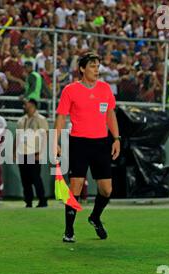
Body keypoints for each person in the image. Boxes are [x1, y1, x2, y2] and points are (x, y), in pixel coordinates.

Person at [54, 52, 120, 242]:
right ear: (82, 69)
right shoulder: (70, 90)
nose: (96, 70)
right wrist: (55, 141)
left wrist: (116, 138)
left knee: (107, 189)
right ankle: (69, 231)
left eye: (98, 66)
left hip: (101, 143)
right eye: (92, 66)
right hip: (79, 143)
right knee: (75, 186)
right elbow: (61, 117)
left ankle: (95, 217)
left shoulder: (105, 89)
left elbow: (110, 114)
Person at [15, 98, 49, 208]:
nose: (26, 107)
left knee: (35, 178)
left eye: (28, 106)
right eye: (26, 106)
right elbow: (17, 136)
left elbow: (45, 136)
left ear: (34, 106)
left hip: (34, 152)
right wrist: (14, 151)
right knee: (25, 179)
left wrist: (41, 152)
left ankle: (42, 200)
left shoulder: (40, 119)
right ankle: (28, 201)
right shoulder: (21, 120)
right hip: (22, 152)